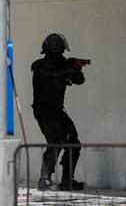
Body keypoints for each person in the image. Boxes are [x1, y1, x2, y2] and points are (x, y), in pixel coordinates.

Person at [32, 33, 87, 191]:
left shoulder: (63, 64)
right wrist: (68, 68)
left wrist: (75, 67)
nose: (59, 55)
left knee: (74, 143)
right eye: (56, 52)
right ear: (48, 52)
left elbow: (79, 80)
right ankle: (44, 178)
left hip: (57, 111)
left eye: (60, 52)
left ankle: (67, 180)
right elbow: (53, 72)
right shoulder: (40, 66)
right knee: (55, 141)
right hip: (44, 112)